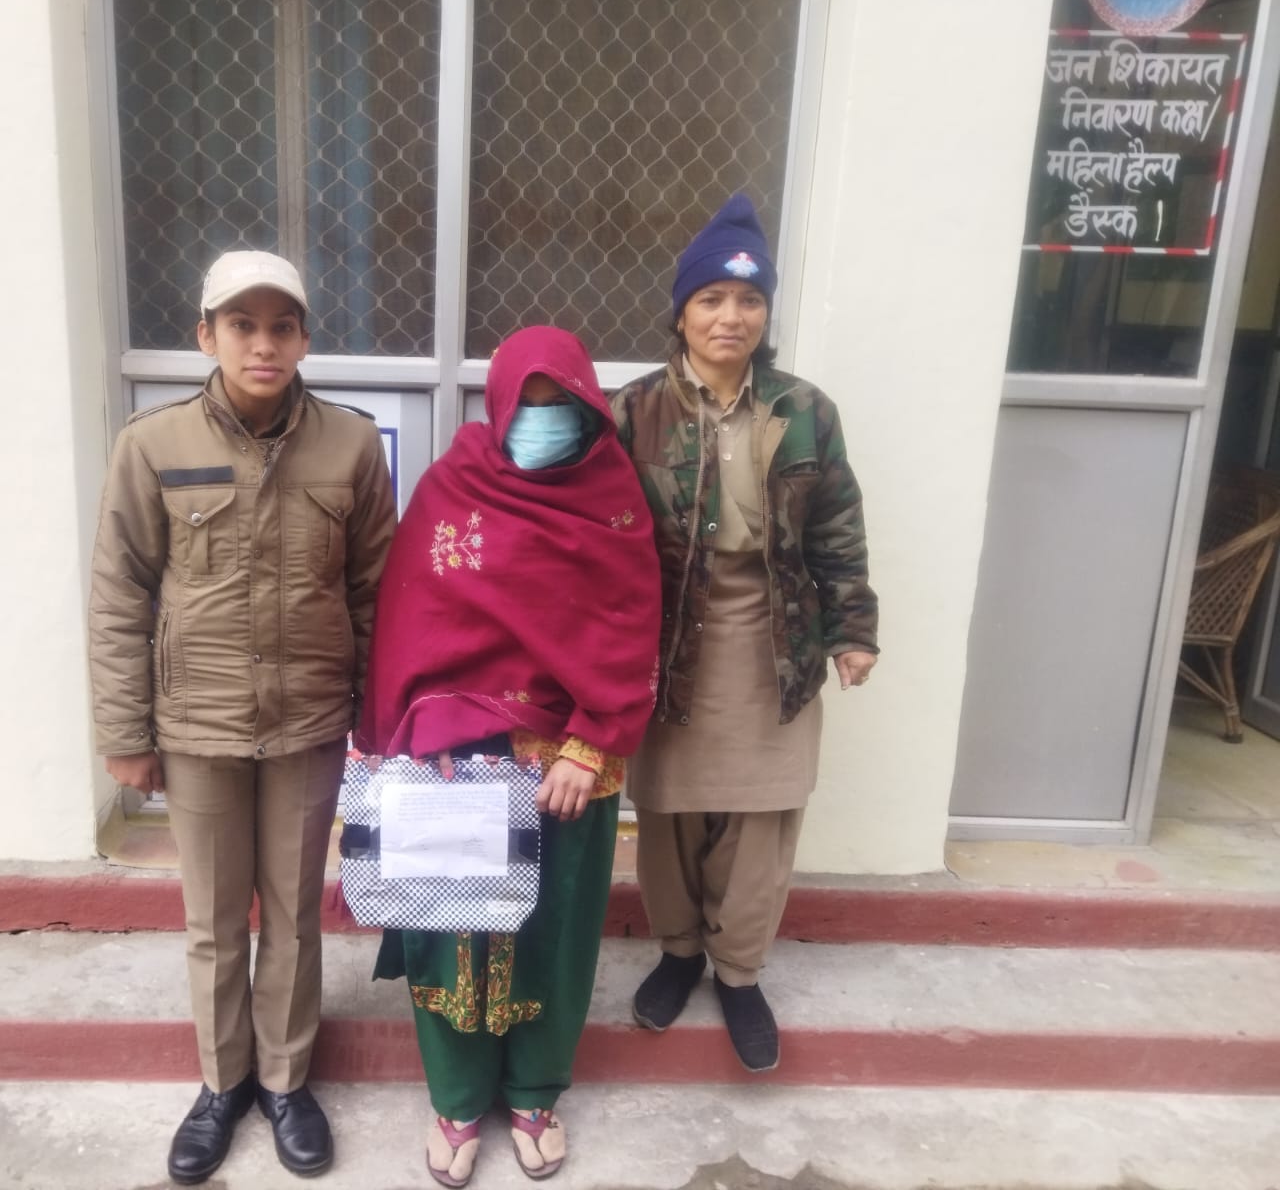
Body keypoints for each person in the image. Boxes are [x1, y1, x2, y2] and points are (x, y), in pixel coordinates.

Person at [87, 251, 397, 1183]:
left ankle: (286, 1082)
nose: (263, 345)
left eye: (281, 327)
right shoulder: (153, 444)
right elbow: (119, 594)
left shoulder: (351, 446)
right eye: (242, 326)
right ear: (207, 336)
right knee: (216, 921)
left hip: (309, 722)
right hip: (198, 725)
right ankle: (222, 1085)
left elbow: (378, 591)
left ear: (304, 339)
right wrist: (124, 733)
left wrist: (380, 719)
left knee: (295, 917)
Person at [358, 326, 660, 1186]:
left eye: (560, 405)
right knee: (447, 930)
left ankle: (534, 1093)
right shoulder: (454, 485)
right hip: (456, 757)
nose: (542, 420)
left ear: (588, 409)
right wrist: (410, 741)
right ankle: (455, 1099)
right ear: (496, 404)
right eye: (527, 404)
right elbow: (412, 620)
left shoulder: (615, 500)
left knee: (551, 932)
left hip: (567, 764)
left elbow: (632, 628)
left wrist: (589, 745)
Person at [608, 193, 879, 1073]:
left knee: (762, 814)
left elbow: (837, 526)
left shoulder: (805, 410)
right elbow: (599, 536)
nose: (732, 317)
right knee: (670, 811)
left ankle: (738, 970)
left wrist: (852, 629)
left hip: (777, 637)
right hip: (667, 642)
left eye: (750, 300)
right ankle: (679, 950)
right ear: (681, 311)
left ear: (766, 313)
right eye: (712, 300)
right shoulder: (633, 411)